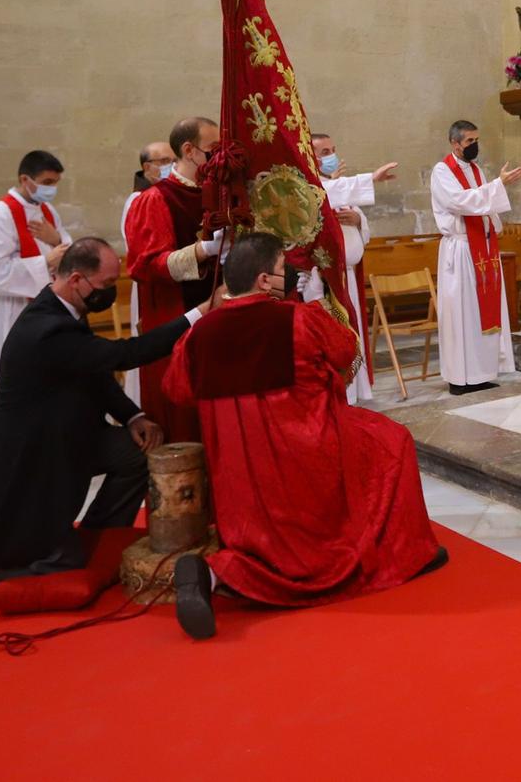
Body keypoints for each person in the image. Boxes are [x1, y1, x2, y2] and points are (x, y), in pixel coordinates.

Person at [159, 233, 445, 639]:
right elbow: (346, 352)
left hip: (241, 477)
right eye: (282, 269)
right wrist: (317, 303)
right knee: (392, 440)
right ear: (262, 280)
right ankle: (409, 551)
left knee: (254, 537)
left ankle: (213, 575)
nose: (287, 276)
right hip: (305, 450)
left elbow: (176, 389)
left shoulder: (198, 337)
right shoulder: (297, 320)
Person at [0, 238, 208, 603]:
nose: (110, 293)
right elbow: (123, 354)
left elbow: (91, 370)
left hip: (71, 438)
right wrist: (199, 314)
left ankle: (100, 538)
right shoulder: (46, 327)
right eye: (105, 285)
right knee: (12, 559)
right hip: (30, 457)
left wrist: (132, 416)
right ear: (77, 279)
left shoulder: (64, 311)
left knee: (135, 455)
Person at [125, 116, 224, 443]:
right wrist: (202, 251)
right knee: (185, 419)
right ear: (189, 150)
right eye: (213, 149)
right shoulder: (155, 199)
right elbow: (146, 264)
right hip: (177, 315)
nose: (218, 157)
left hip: (221, 315)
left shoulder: (221, 194)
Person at [0, 150, 72, 435]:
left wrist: (58, 240)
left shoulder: (48, 212)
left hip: (49, 310)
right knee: (17, 379)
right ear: (25, 179)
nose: (52, 188)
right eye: (47, 181)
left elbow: (69, 252)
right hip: (12, 310)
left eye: (56, 182)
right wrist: (45, 262)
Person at [430, 121, 521, 395]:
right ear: (455, 143)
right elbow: (459, 202)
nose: (475, 145)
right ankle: (460, 378)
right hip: (460, 251)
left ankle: (482, 374)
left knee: (480, 315)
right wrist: (498, 184)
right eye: (470, 141)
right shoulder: (442, 171)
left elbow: (486, 204)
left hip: (482, 250)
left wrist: (493, 221)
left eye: (476, 139)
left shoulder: (476, 170)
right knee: (462, 314)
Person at [307, 132, 398, 403]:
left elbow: (364, 230)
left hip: (348, 276)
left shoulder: (343, 188)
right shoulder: (311, 186)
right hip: (323, 279)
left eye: (332, 150)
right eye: (324, 153)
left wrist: (358, 219)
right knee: (335, 337)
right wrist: (369, 179)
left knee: (351, 333)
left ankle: (356, 392)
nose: (332, 156)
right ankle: (340, 394)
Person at [121, 142, 176, 249]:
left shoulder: (169, 193)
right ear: (147, 167)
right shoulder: (138, 200)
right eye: (165, 161)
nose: (172, 166)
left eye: (175, 161)